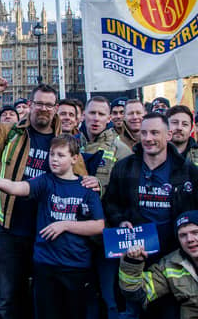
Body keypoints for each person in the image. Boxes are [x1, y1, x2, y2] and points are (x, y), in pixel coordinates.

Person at [0, 77, 87, 319]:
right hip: (10, 229)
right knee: (7, 298)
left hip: (47, 231)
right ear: (30, 104)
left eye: (49, 105)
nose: (43, 109)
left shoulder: (66, 142)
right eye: (39, 103)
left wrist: (92, 184)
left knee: (42, 296)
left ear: (55, 108)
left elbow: (80, 181)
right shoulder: (11, 133)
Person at [0, 135, 104, 319]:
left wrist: (65, 225)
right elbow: (19, 188)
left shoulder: (87, 187)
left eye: (61, 155)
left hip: (76, 266)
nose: (54, 159)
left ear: (74, 158)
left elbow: (98, 225)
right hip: (46, 263)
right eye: (52, 154)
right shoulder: (45, 181)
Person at [104, 112, 198, 260]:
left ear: (168, 135)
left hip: (175, 252)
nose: (148, 138)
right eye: (144, 133)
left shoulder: (188, 171)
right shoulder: (124, 167)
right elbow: (110, 204)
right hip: (135, 251)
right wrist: (120, 221)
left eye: (155, 133)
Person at [77, 96, 131, 319]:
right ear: (84, 116)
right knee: (83, 295)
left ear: (109, 118)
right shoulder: (71, 145)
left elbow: (126, 194)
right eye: (92, 113)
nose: (96, 118)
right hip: (78, 234)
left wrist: (101, 187)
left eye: (101, 114)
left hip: (108, 234)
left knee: (111, 297)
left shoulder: (122, 150)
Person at [119, 210, 198, 319]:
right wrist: (132, 262)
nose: (189, 239)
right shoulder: (170, 264)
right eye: (183, 235)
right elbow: (137, 294)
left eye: (195, 232)